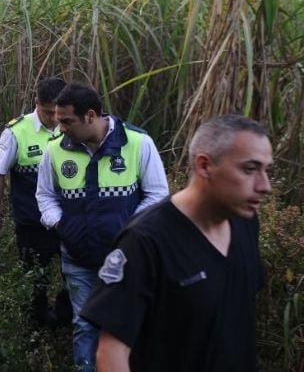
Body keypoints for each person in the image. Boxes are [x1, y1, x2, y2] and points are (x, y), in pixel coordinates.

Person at [81, 115, 271, 372]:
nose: (265, 185)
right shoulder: (146, 240)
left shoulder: (245, 223)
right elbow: (112, 350)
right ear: (204, 166)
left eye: (266, 170)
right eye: (249, 169)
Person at [35, 83, 168, 372]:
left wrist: (128, 232)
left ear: (90, 116)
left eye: (67, 121)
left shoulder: (137, 143)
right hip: (77, 258)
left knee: (128, 323)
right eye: (58, 121)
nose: (61, 128)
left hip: (125, 259)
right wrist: (60, 223)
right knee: (84, 323)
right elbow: (44, 195)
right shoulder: (55, 150)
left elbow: (158, 195)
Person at [0, 77, 71, 328]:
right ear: (37, 104)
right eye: (48, 112)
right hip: (32, 223)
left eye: (59, 113)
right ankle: (37, 327)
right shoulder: (16, 132)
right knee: (35, 279)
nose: (55, 119)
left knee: (74, 276)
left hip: (69, 221)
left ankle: (64, 320)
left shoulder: (72, 126)